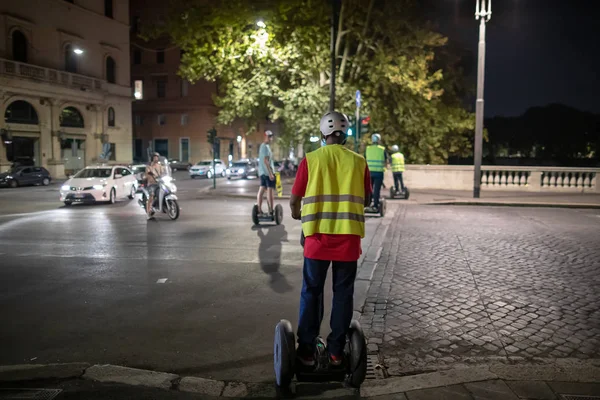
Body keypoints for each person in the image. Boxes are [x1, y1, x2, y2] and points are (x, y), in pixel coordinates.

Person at [290, 111, 372, 368]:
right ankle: (337, 352)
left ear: (323, 134)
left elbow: (294, 200)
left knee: (312, 292)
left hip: (317, 239)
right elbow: (367, 200)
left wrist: (298, 215)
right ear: (345, 134)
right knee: (343, 294)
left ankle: (305, 351)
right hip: (347, 242)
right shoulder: (359, 162)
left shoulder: (311, 160)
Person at [364, 133, 390, 211]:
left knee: (369, 189)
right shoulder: (382, 149)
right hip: (379, 172)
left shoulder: (368, 149)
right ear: (379, 140)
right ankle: (375, 205)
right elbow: (386, 161)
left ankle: (367, 204)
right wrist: (385, 168)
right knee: (377, 189)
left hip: (369, 172)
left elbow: (364, 160)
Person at [257, 130, 276, 216]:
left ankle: (259, 209)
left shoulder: (263, 146)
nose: (270, 138)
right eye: (269, 137)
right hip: (267, 173)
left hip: (262, 172)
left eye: (270, 137)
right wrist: (270, 173)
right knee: (270, 191)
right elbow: (266, 161)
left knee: (261, 190)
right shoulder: (265, 147)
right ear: (265, 137)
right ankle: (271, 210)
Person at [145, 152, 165, 219]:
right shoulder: (149, 166)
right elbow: (147, 174)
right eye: (154, 157)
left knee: (167, 191)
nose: (156, 158)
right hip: (152, 184)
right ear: (152, 158)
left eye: (157, 157)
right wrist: (150, 175)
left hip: (159, 184)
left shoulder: (160, 166)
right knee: (151, 196)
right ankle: (148, 212)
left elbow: (164, 172)